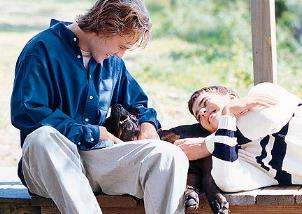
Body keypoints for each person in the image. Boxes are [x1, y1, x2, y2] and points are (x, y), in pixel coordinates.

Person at [10, 0, 189, 213]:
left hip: (98, 161)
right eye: (122, 46)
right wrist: (93, 133)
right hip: (49, 165)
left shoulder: (112, 63)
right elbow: (27, 114)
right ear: (107, 26)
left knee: (168, 156)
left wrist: (147, 123)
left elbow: (138, 103)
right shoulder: (42, 49)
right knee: (43, 137)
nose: (121, 54)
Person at [175, 82, 302, 192]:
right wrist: (227, 115)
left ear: (232, 96)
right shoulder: (241, 158)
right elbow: (227, 181)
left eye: (205, 103)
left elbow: (266, 118)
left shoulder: (263, 90)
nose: (202, 112)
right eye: (198, 116)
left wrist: (206, 146)